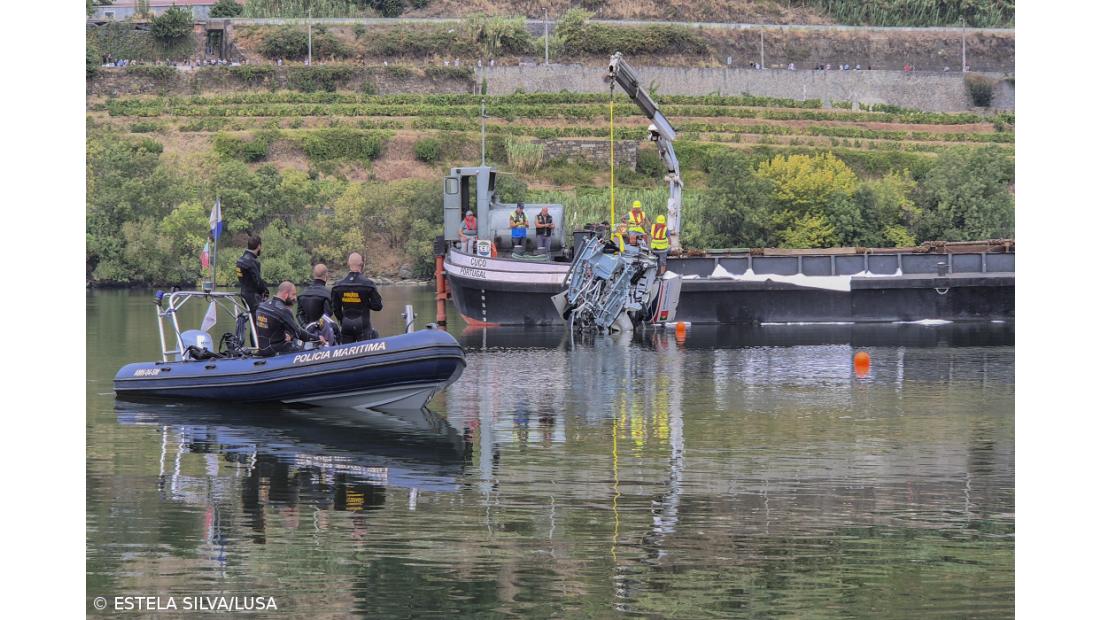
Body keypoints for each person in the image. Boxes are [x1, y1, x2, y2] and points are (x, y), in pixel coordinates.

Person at [256, 282, 323, 356]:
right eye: (293, 294)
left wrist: (288, 334)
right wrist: (317, 338)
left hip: (263, 349)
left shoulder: (262, 305)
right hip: (275, 350)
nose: (295, 298)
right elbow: (298, 333)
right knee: (307, 345)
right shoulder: (283, 310)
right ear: (286, 294)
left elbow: (271, 328)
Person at [331, 253, 384, 343]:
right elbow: (378, 306)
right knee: (365, 354)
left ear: (348, 264)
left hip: (346, 324)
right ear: (362, 264)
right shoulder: (368, 284)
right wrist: (365, 303)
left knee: (347, 353)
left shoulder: (338, 285)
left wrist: (342, 320)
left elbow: (335, 308)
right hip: (363, 325)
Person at [235, 235, 268, 324]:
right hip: (253, 298)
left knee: (254, 322)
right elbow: (257, 281)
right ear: (259, 246)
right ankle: (257, 338)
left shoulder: (240, 261)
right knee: (260, 323)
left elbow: (241, 278)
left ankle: (253, 336)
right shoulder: (253, 262)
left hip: (244, 294)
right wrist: (265, 290)